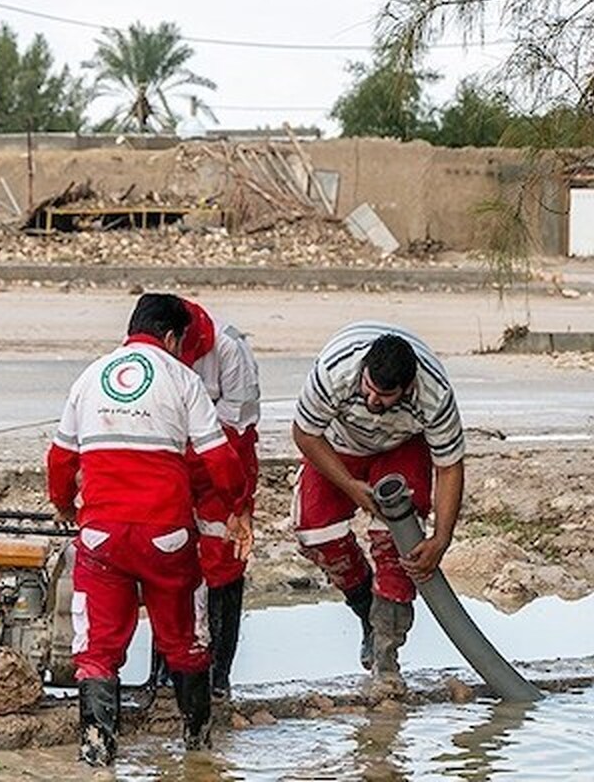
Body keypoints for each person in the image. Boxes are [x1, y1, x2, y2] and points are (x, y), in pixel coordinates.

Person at [46, 293, 251, 767]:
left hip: (101, 538)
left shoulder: (91, 375)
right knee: (185, 642)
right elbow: (220, 459)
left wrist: (63, 506)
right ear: (174, 338)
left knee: (97, 649)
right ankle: (198, 751)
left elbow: (60, 459)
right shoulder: (182, 379)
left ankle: (98, 756)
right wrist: (237, 507)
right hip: (168, 537)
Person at [292, 322, 465, 687]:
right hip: (338, 446)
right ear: (363, 370)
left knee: (400, 547)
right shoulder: (334, 371)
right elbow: (305, 433)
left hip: (401, 447)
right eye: (368, 389)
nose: (373, 401)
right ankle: (365, 609)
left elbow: (449, 468)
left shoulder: (434, 395)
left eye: (385, 397)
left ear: (408, 388)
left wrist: (441, 539)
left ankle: (386, 661)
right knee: (315, 532)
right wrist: (352, 487)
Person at [177, 297, 260, 700]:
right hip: (174, 460)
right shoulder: (155, 345)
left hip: (225, 463)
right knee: (172, 556)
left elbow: (238, 429)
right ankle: (172, 669)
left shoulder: (229, 349)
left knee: (224, 562)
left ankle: (219, 676)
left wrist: (239, 502)